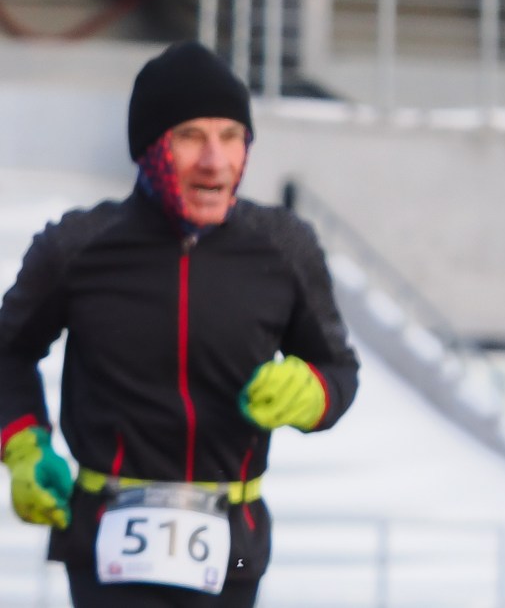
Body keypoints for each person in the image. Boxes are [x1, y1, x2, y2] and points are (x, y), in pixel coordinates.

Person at [0, 41, 360, 605]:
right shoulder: (75, 247)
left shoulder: (285, 247)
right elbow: (8, 352)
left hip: (235, 547)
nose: (215, 160)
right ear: (148, 149)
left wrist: (312, 392)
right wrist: (24, 444)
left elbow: (338, 369)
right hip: (102, 539)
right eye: (190, 136)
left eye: (231, 136)